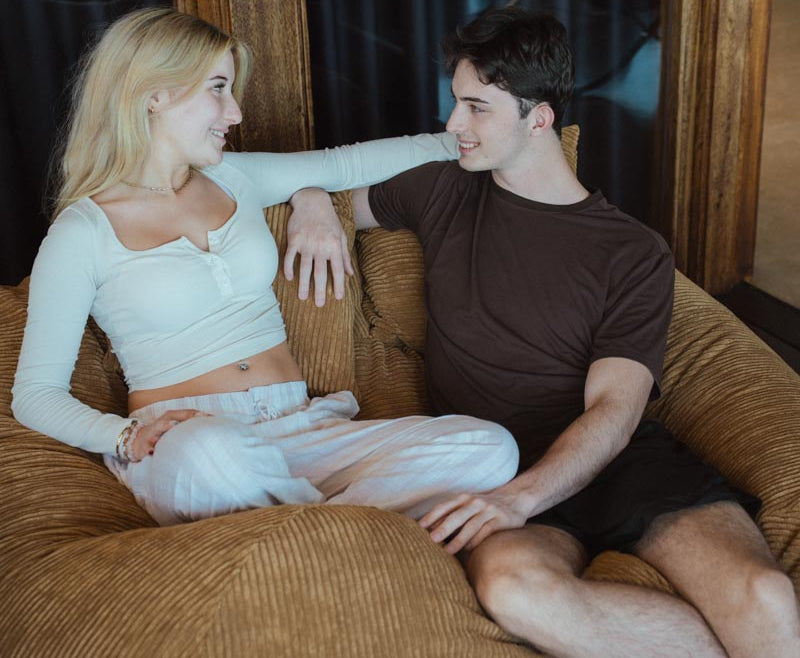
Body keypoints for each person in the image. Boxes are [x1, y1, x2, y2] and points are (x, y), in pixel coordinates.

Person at [292, 6, 800, 658]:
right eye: (453, 102)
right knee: (515, 592)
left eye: (475, 107)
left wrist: (526, 497)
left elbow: (616, 408)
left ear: (539, 118)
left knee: (765, 596)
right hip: (488, 463)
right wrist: (313, 201)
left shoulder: (629, 252)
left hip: (615, 462)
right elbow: (305, 191)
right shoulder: (442, 191)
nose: (450, 125)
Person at [11, 7, 518, 526]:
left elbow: (347, 163)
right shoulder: (82, 231)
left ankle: (307, 529)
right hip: (189, 445)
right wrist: (121, 436)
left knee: (490, 447)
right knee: (211, 453)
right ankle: (352, 527)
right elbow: (35, 395)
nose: (234, 113)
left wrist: (469, 142)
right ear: (154, 94)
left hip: (300, 430)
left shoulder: (235, 179)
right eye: (218, 88)